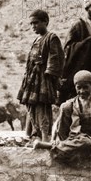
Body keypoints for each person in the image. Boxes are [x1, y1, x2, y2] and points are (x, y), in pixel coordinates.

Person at [34, 70, 91, 163]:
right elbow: (59, 126)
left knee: (86, 143)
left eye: (85, 87)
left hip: (90, 139)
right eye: (79, 88)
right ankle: (59, 146)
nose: (82, 91)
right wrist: (55, 139)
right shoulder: (70, 104)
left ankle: (52, 147)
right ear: (75, 87)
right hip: (73, 138)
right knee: (64, 107)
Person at [17, 9, 64, 143]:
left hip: (43, 79)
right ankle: (32, 136)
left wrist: (50, 76)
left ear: (46, 22)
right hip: (32, 79)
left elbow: (56, 57)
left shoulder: (51, 38)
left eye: (36, 23)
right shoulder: (36, 39)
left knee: (42, 107)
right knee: (31, 106)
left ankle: (45, 138)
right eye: (31, 24)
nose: (33, 26)